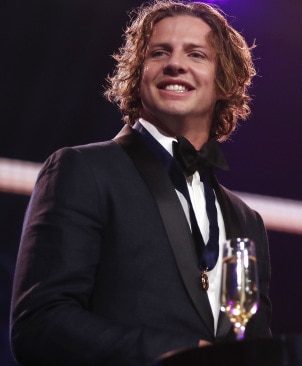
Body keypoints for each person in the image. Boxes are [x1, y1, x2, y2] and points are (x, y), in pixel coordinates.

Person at [10, 1, 271, 364]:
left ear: (223, 81)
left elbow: (254, 345)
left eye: (196, 54)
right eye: (159, 52)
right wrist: (177, 356)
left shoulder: (247, 220)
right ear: (138, 73)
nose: (175, 63)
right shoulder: (83, 170)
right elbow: (39, 325)